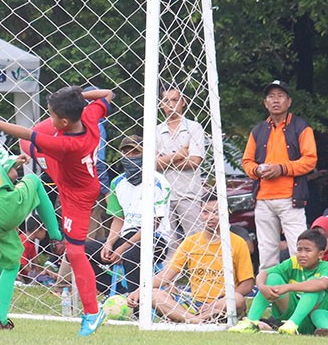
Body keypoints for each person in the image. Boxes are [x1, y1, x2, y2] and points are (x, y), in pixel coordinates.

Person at [0, 84, 115, 336]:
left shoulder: (67, 145)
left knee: (75, 252)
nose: (49, 118)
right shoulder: (88, 115)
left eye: (52, 114)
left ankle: (93, 313)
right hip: (75, 177)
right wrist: (78, 98)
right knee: (30, 144)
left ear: (64, 121)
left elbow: (27, 134)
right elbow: (108, 94)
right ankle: (54, 229)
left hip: (77, 195)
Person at [0, 126, 63, 330]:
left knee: (5, 263)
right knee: (34, 180)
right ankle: (56, 235)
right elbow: (12, 173)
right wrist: (16, 163)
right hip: (3, 206)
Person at [241, 80, 317, 270]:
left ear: (289, 101)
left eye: (280, 96)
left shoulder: (301, 127)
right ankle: (269, 287)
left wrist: (281, 168)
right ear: (265, 103)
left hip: (291, 198)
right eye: (271, 96)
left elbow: (310, 160)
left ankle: (302, 286)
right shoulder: (258, 130)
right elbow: (247, 162)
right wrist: (257, 170)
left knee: (299, 248)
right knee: (266, 252)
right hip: (262, 199)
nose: (276, 100)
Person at [148, 197, 255, 324]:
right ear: (200, 214)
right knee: (153, 294)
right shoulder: (191, 242)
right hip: (194, 304)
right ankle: (196, 320)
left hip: (222, 303)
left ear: (226, 214)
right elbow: (165, 276)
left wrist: (219, 302)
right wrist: (140, 290)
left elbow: (247, 285)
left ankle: (190, 320)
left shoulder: (238, 243)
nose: (210, 217)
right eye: (205, 212)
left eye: (216, 212)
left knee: (237, 299)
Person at [86, 135, 170, 294]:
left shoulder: (158, 182)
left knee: (131, 255)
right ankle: (117, 292)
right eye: (126, 153)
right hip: (126, 235)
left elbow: (153, 224)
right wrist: (109, 243)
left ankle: (137, 301)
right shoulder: (117, 183)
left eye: (135, 153)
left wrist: (123, 248)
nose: (130, 157)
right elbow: (118, 219)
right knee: (79, 252)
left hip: (155, 238)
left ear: (145, 155)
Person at [228, 228, 328, 335]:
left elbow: (322, 284)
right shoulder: (293, 262)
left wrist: (287, 287)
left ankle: (293, 324)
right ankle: (251, 322)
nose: (302, 254)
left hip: (315, 321)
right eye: (299, 250)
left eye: (308, 250)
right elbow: (264, 274)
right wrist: (262, 287)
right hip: (288, 319)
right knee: (273, 278)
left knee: (314, 285)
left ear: (320, 254)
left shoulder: (325, 268)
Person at [155, 88, 207, 245]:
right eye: (166, 101)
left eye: (174, 100)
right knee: (168, 243)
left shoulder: (194, 127)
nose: (170, 105)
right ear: (161, 104)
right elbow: (153, 165)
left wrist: (165, 160)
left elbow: (194, 161)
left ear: (183, 102)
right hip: (163, 195)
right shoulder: (156, 131)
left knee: (196, 240)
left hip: (189, 193)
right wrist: (178, 155)